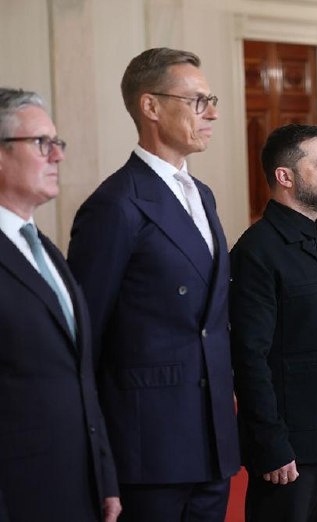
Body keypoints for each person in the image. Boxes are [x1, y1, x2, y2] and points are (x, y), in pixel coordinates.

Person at [67, 48, 239, 521]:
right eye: (198, 101)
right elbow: (85, 336)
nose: (212, 113)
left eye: (212, 101)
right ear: (151, 106)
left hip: (212, 439)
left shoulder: (202, 195)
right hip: (149, 445)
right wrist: (95, 456)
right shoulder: (115, 205)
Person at [229, 124, 317, 521]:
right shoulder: (257, 251)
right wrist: (270, 443)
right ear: (285, 176)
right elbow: (248, 358)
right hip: (289, 451)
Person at [0, 88, 121, 521]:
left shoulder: (45, 251)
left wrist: (104, 477)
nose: (58, 156)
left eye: (57, 142)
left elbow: (79, 375)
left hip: (77, 489)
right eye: (41, 143)